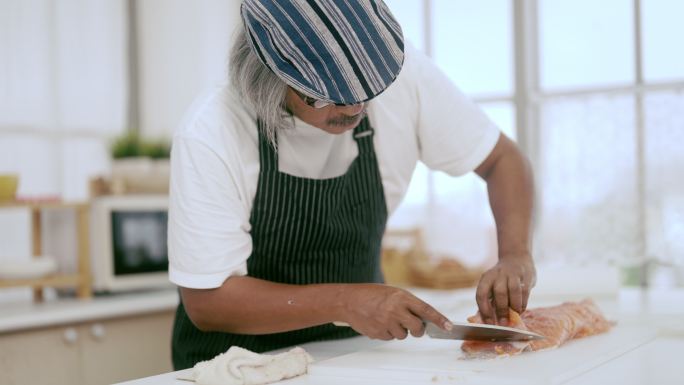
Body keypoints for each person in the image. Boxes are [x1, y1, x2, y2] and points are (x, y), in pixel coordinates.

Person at [168, 0, 536, 370]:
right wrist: (345, 302)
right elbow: (208, 301)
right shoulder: (212, 130)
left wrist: (515, 254)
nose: (352, 109)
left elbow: (502, 160)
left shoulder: (405, 78)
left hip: (354, 357)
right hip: (236, 365)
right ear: (269, 76)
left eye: (366, 91)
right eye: (326, 94)